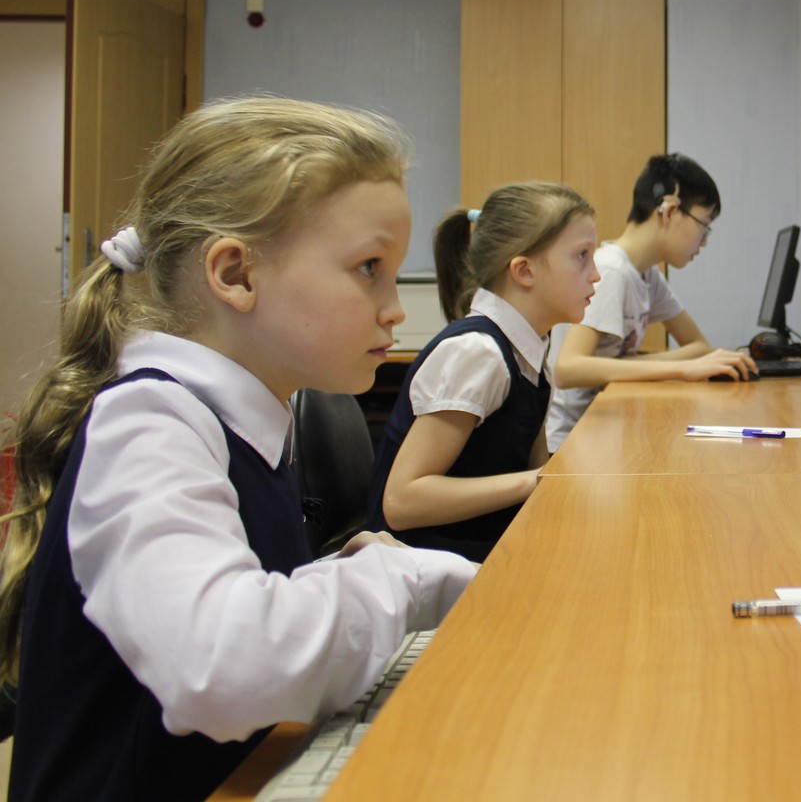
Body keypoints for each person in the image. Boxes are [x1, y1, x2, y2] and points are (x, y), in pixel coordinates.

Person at [0, 96, 478, 801]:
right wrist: (398, 583)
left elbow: (238, 596)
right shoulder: (150, 421)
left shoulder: (242, 417)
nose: (395, 309)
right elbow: (220, 667)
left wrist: (452, 583)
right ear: (235, 274)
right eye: (368, 267)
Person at [367, 183, 598, 562]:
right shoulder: (478, 353)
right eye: (582, 256)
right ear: (524, 270)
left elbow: (536, 467)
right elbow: (401, 502)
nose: (596, 275)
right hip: (423, 564)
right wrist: (537, 480)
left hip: (477, 550)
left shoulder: (530, 346)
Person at [547, 154, 755, 451]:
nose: (704, 241)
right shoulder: (610, 270)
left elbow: (699, 347)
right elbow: (568, 369)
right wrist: (682, 369)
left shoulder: (647, 275)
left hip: (604, 431)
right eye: (704, 225)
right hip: (571, 443)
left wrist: (638, 364)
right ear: (669, 211)